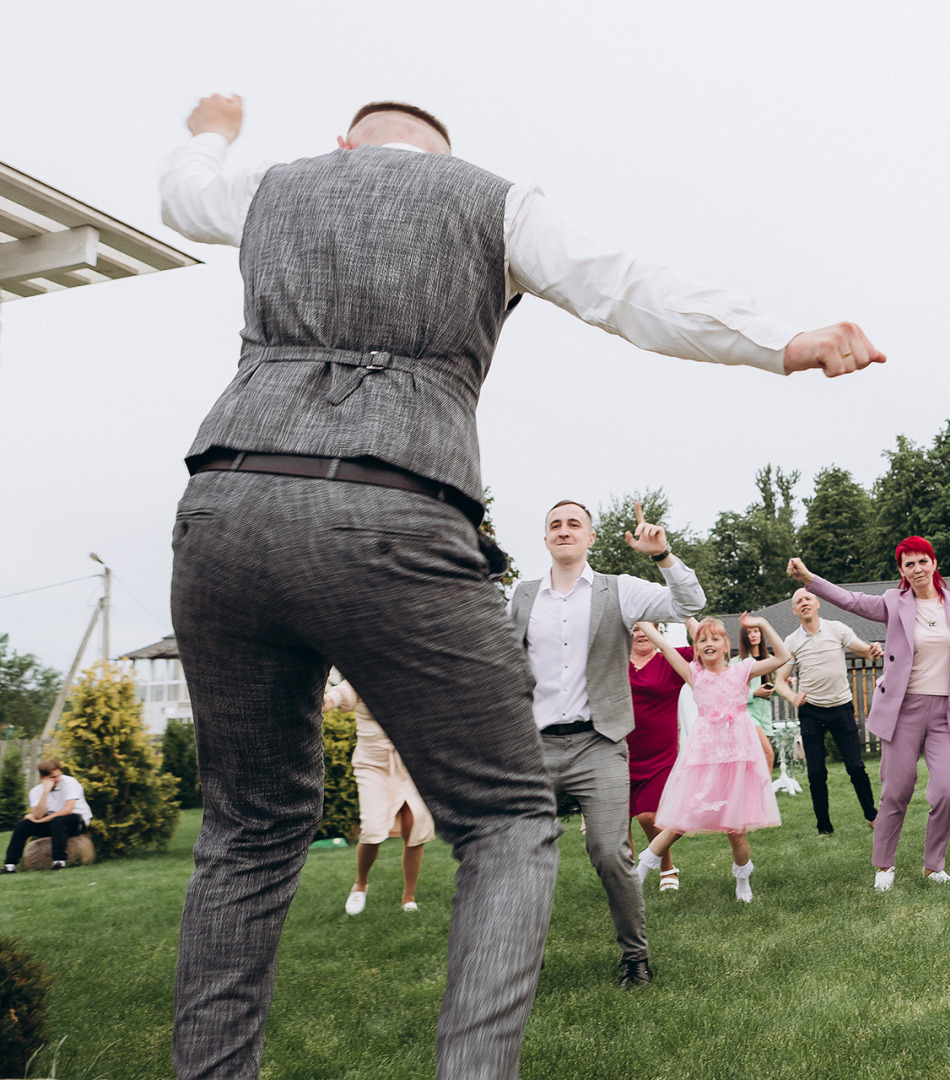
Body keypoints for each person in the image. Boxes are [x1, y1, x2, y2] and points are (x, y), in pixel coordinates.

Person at [160, 92, 884, 1080]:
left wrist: (214, 129)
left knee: (247, 826)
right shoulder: (495, 202)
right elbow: (627, 289)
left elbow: (182, 195)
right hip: (392, 503)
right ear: (444, 158)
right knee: (505, 819)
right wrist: (779, 343)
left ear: (348, 145)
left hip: (225, 509)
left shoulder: (278, 183)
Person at [509, 500, 705, 986]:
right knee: (515, 853)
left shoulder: (618, 590)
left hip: (598, 744)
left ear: (591, 537)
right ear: (546, 537)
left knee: (607, 850)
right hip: (534, 748)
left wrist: (663, 557)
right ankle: (515, 962)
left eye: (574, 523)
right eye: (554, 524)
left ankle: (635, 958)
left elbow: (689, 605)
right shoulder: (522, 595)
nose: (564, 530)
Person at [789, 540, 950, 889]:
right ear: (902, 570)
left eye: (922, 561)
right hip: (904, 710)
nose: (916, 569)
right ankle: (884, 866)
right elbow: (850, 600)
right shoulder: (893, 602)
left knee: (946, 791)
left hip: (949, 712)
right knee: (896, 791)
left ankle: (934, 865)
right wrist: (810, 579)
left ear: (934, 563)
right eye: (908, 564)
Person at [633, 616, 788, 902]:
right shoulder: (694, 673)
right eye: (702, 640)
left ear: (727, 645)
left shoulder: (743, 670)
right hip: (704, 757)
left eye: (715, 639)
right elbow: (664, 646)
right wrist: (640, 617)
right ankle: (642, 868)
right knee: (680, 819)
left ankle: (743, 880)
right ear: (695, 647)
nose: (708, 644)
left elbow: (783, 656)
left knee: (736, 831)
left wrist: (764, 624)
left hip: (738, 758)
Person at [774, 588, 882, 835]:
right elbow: (780, 681)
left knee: (855, 766)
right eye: (798, 601)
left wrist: (873, 649)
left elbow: (864, 650)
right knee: (816, 772)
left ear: (817, 603)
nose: (804, 603)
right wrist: (793, 696)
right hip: (811, 711)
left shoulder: (837, 629)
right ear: (794, 610)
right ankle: (824, 827)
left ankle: (872, 816)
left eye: (807, 598)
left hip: (841, 707)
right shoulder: (791, 642)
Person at [324, 679, 434, 913]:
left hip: (411, 763)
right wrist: (325, 701)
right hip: (373, 765)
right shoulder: (364, 674)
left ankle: (408, 896)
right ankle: (360, 884)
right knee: (373, 830)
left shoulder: (414, 677)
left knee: (415, 823)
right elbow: (341, 694)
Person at [627, 624, 690, 893]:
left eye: (647, 628)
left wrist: (686, 615)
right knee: (618, 826)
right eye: (634, 628)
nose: (640, 634)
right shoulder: (612, 661)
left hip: (659, 756)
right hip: (617, 753)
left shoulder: (670, 660)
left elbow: (707, 645)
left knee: (649, 816)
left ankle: (665, 864)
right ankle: (628, 879)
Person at [3, 760, 92, 873]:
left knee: (57, 821)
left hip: (76, 822)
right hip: (56, 825)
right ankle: (10, 865)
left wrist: (41, 820)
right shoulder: (36, 791)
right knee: (22, 825)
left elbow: (68, 810)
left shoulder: (70, 782)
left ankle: (59, 861)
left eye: (58, 775)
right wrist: (45, 791)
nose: (58, 779)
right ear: (43, 778)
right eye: (53, 777)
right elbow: (38, 815)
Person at [737, 622, 780, 771]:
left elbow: (777, 687)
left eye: (756, 631)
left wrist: (786, 685)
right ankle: (765, 792)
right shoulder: (737, 663)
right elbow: (731, 694)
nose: (753, 635)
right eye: (749, 632)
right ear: (744, 637)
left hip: (764, 714)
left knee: (757, 757)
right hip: (747, 714)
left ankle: (754, 791)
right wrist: (755, 693)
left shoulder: (771, 659)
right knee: (768, 754)